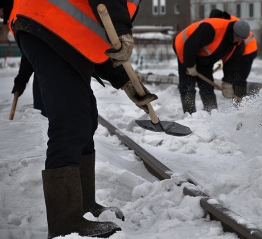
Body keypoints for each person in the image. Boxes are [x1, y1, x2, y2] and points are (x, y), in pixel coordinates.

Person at [4, 0, 158, 238]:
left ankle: (84, 204)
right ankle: (65, 221)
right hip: (46, 23)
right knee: (70, 122)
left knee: (86, 118)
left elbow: (95, 40)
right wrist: (123, 31)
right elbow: (106, 27)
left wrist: (126, 82)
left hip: (62, 33)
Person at [173, 17, 249, 114]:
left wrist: (227, 83)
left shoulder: (238, 44)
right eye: (237, 37)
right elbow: (191, 45)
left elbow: (232, 64)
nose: (238, 40)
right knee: (188, 84)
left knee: (207, 85)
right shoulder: (211, 29)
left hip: (204, 56)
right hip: (184, 48)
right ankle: (189, 114)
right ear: (232, 32)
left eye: (241, 39)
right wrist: (189, 65)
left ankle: (212, 112)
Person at [209, 9, 258, 98]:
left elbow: (229, 44)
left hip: (247, 51)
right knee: (235, 76)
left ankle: (240, 100)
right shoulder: (227, 20)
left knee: (239, 78)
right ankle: (236, 98)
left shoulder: (230, 23)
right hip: (241, 50)